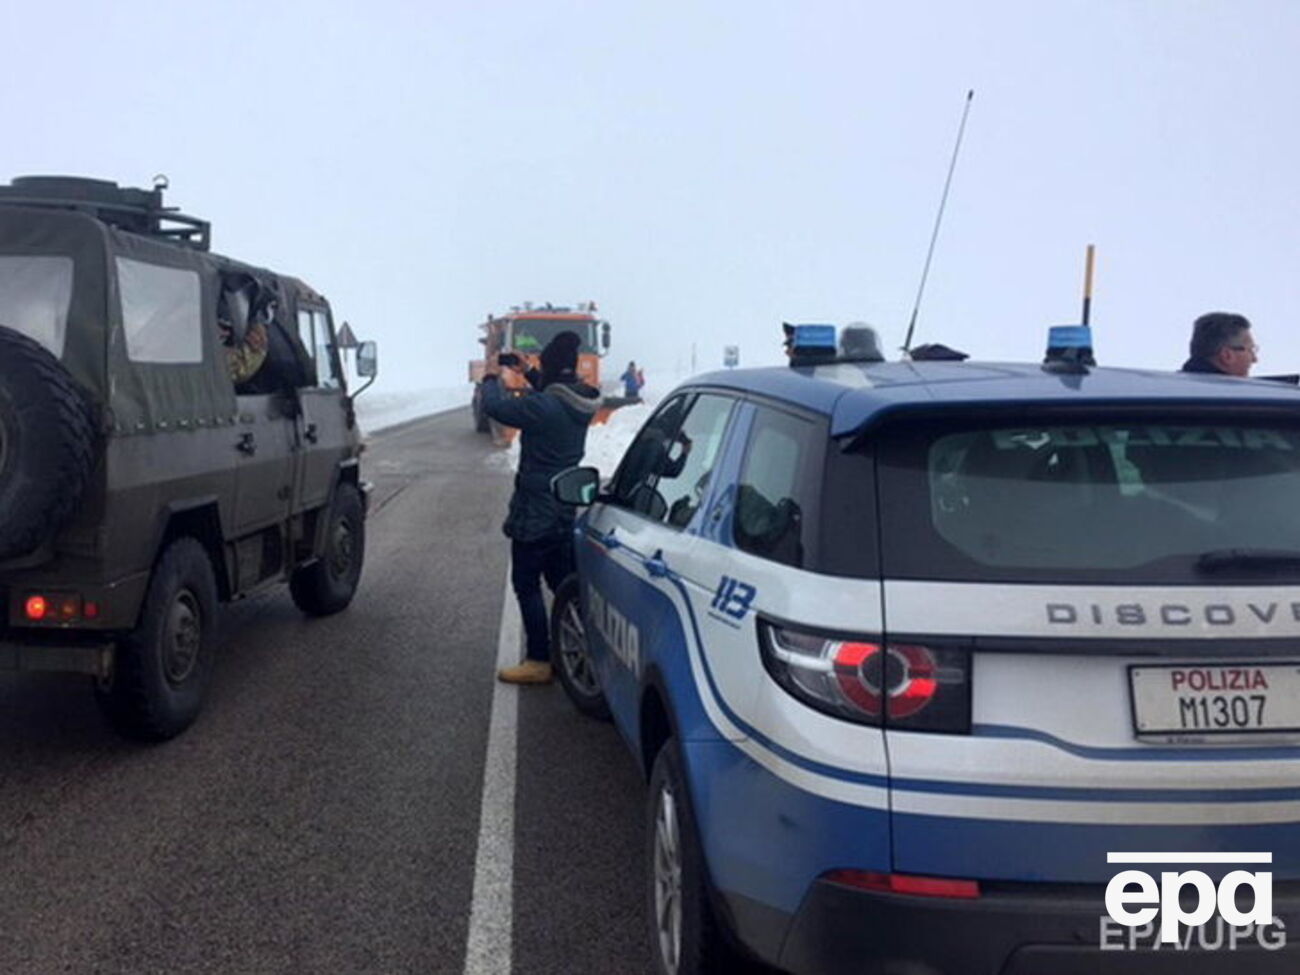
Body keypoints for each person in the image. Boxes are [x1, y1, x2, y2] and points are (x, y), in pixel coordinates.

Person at [481, 331, 602, 684]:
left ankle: (538, 659)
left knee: (526, 582)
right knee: (562, 583)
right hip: (563, 505)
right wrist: (527, 372)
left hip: (536, 508)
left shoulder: (544, 407)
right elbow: (552, 396)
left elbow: (497, 407)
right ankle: (582, 648)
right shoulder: (578, 402)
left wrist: (492, 375)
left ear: (551, 368)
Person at [1180, 312, 1257, 377]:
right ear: (1227, 355)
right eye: (1250, 350)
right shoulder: (1228, 393)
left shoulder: (1176, 388)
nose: (1254, 359)